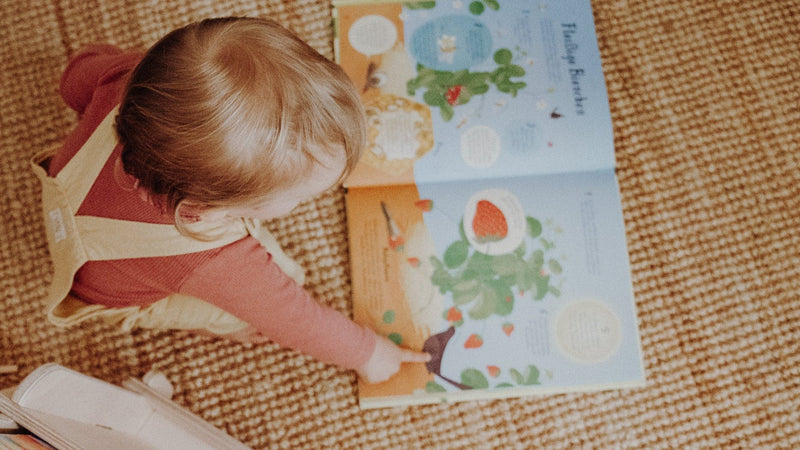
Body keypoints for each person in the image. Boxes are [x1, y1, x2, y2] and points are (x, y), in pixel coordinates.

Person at [36, 17, 429, 383]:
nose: (306, 204)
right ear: (206, 212)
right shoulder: (213, 258)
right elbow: (294, 319)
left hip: (66, 184)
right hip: (106, 291)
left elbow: (76, 76)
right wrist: (369, 353)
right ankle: (220, 323)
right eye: (300, 197)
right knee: (279, 286)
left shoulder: (135, 84)